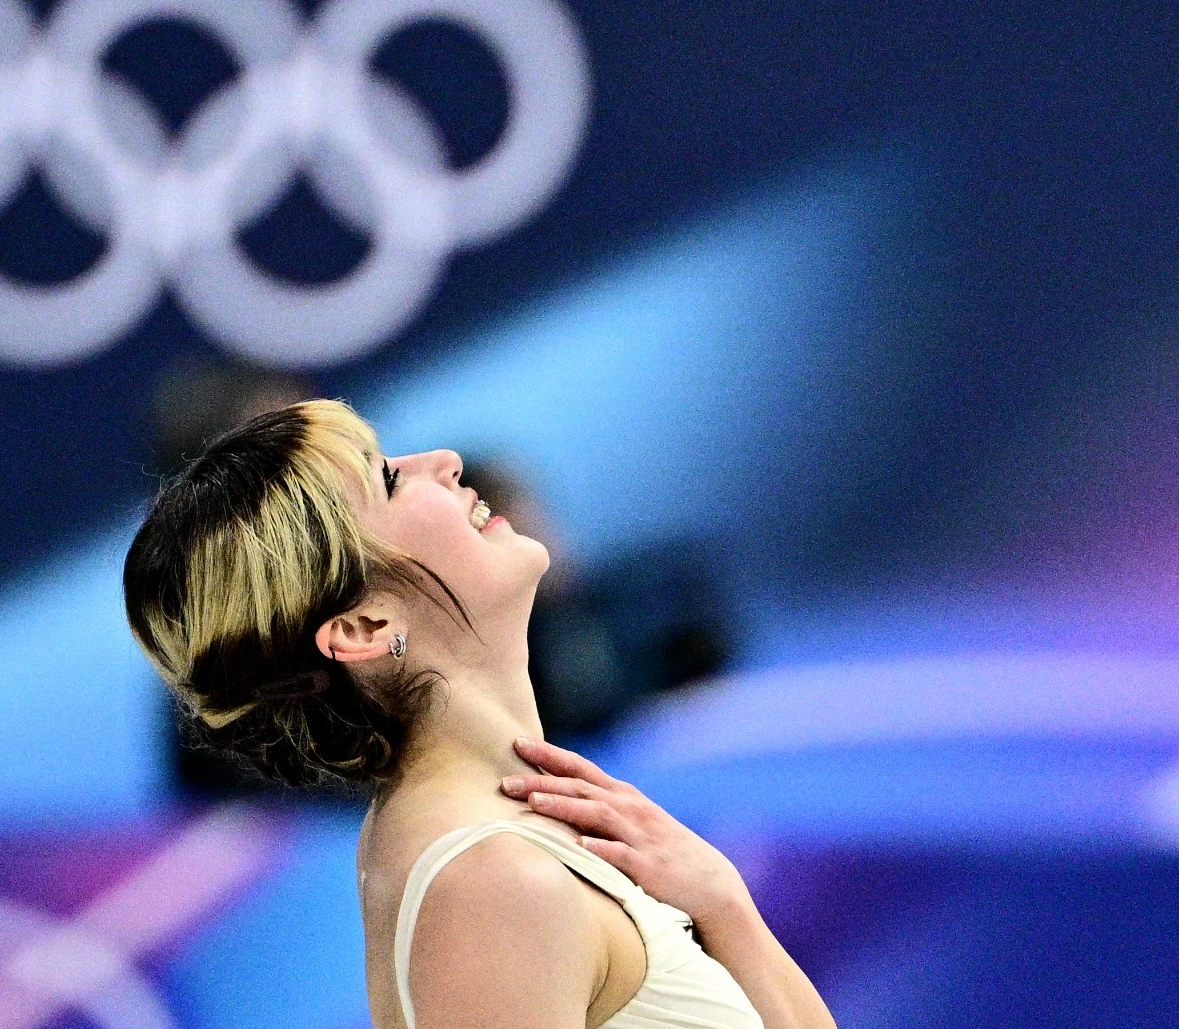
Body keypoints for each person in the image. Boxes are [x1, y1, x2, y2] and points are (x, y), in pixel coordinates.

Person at [123, 400, 836, 1029]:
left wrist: (724, 908)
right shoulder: (492, 881)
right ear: (365, 625)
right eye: (389, 479)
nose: (444, 460)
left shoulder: (497, 837)